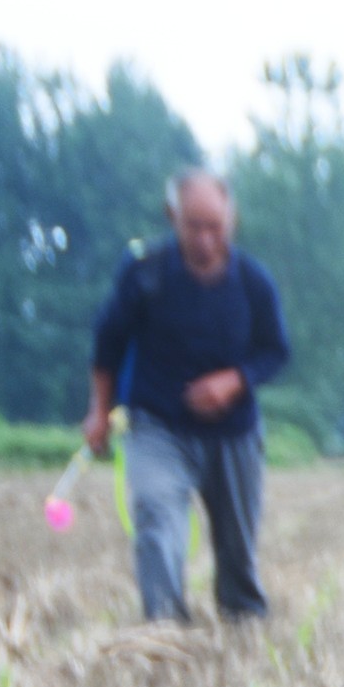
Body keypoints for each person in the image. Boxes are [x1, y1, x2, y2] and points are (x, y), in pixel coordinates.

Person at [85, 169, 288, 624]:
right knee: (156, 514)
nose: (205, 238)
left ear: (231, 221)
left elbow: (276, 350)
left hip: (233, 432)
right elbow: (107, 346)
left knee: (237, 544)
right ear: (171, 216)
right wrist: (99, 410)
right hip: (157, 424)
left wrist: (233, 380)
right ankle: (166, 627)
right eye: (193, 226)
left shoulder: (254, 281)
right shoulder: (145, 275)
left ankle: (243, 618)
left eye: (215, 227)